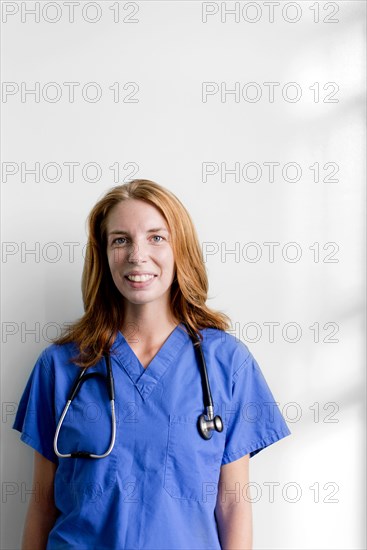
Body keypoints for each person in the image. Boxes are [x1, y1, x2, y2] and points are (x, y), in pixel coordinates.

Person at [13, 179, 291, 550]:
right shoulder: (61, 365)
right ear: (104, 253)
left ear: (181, 250)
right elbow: (42, 506)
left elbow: (233, 505)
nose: (137, 255)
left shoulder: (227, 364)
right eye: (120, 240)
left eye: (156, 237)